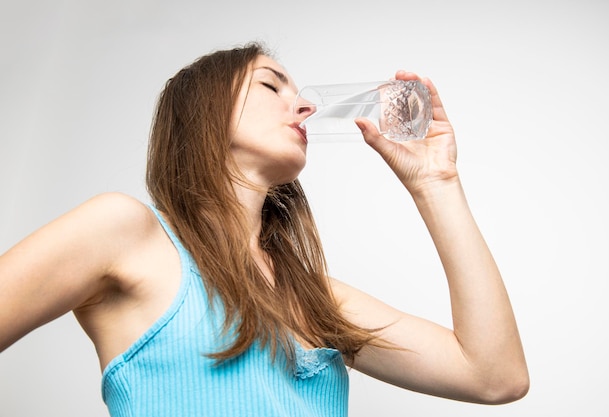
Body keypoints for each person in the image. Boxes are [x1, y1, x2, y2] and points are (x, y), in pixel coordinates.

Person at [0, 42, 529, 416]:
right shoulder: (125, 233)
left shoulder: (315, 298)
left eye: (297, 91)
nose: (304, 105)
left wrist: (436, 182)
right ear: (204, 112)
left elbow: (494, 376)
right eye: (270, 84)